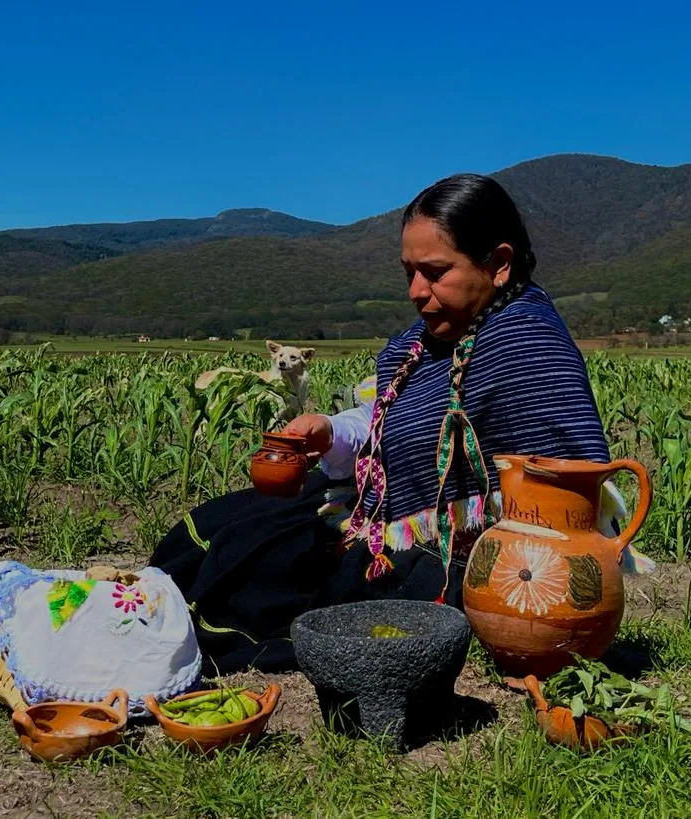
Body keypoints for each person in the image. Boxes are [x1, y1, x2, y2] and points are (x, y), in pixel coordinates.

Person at [150, 173, 620, 675]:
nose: (417, 292)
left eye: (436, 272)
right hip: (378, 514)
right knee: (230, 524)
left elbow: (573, 487)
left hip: (455, 563)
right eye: (409, 273)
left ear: (499, 264)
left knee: (266, 565)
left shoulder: (524, 343)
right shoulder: (420, 346)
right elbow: (393, 421)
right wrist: (330, 432)